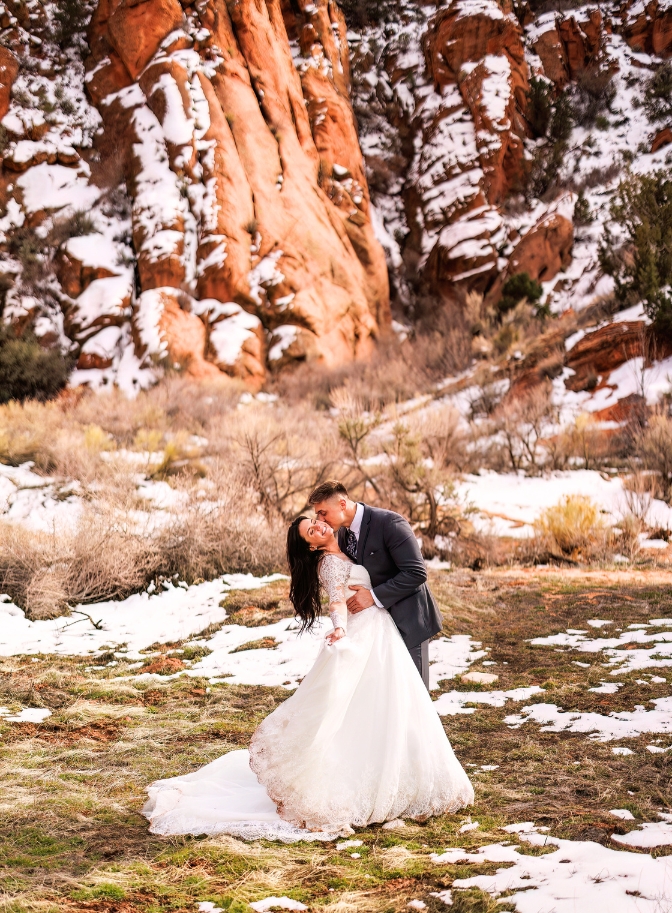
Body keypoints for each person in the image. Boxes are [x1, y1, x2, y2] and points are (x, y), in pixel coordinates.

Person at [142, 515, 473, 840]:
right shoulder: (329, 563)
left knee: (395, 704)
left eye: (313, 521)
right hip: (362, 632)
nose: (316, 527)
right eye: (309, 532)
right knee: (360, 708)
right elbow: (336, 600)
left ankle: (406, 776)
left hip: (383, 631)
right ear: (312, 546)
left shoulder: (350, 545)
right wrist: (340, 628)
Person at [309, 480, 442, 688]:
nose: (320, 519)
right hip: (376, 628)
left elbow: (416, 572)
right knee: (389, 692)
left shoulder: (389, 523)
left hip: (409, 620)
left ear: (342, 504)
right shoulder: (343, 535)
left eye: (323, 512)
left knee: (414, 691)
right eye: (318, 515)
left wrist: (372, 596)